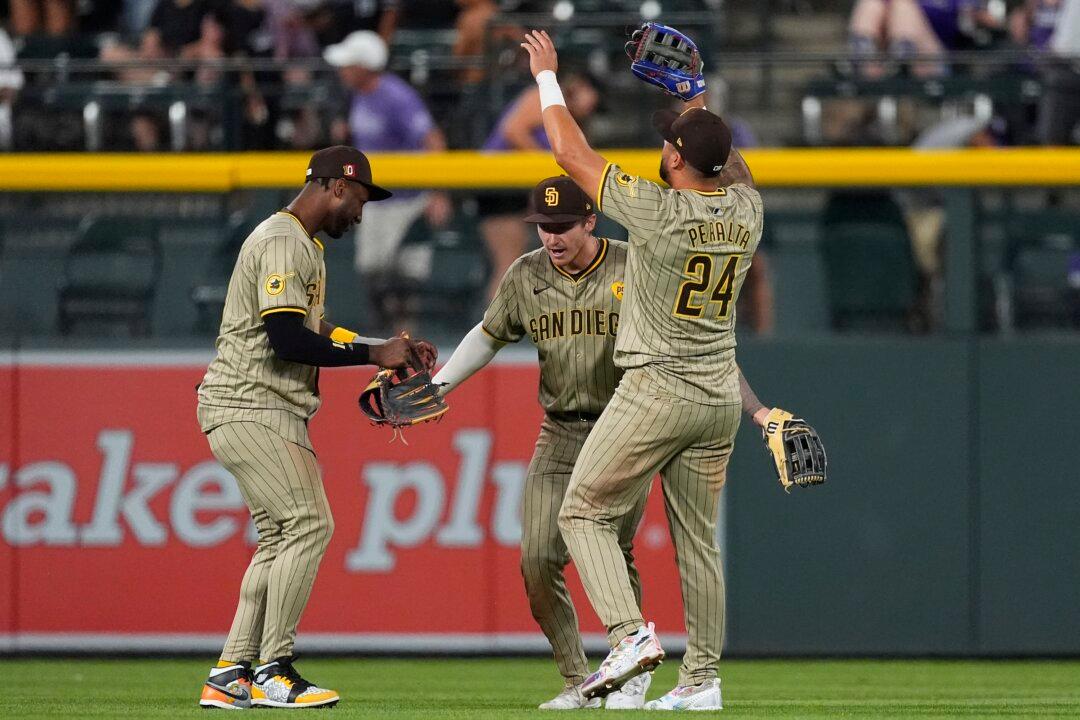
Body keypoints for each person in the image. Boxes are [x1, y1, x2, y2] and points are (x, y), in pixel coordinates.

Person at [520, 29, 774, 710]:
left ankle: (630, 635)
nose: (662, 147)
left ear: (678, 160)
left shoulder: (658, 211)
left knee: (582, 511)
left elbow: (569, 153)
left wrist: (546, 78)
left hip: (660, 385)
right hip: (718, 390)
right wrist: (697, 102)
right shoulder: (747, 209)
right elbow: (732, 166)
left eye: (671, 142)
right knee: (698, 544)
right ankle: (703, 681)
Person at [195, 145, 437, 710]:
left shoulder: (300, 244)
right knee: (309, 523)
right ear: (335, 186)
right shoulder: (283, 241)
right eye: (359, 198)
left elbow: (314, 327)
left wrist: (379, 346)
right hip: (252, 404)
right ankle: (275, 669)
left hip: (253, 407)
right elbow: (287, 341)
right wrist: (375, 355)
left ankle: (232, 671)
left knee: (281, 536)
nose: (360, 212)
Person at [433, 176, 654, 710]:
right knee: (536, 559)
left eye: (561, 227)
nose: (550, 238)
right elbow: (488, 335)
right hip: (559, 429)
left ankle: (630, 672)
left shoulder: (633, 265)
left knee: (613, 552)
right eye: (542, 227)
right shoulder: (525, 274)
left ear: (589, 221)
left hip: (622, 426)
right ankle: (579, 678)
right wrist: (439, 384)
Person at [325, 30, 452, 331]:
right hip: (376, 200)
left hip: (407, 199)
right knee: (372, 271)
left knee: (408, 278)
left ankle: (407, 345)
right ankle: (385, 343)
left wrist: (438, 193)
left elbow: (433, 141)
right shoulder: (356, 96)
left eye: (349, 64)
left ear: (364, 67)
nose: (342, 70)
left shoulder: (396, 96)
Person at [478, 74, 599, 301]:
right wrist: (549, 164)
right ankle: (492, 329)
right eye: (592, 96)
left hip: (518, 187)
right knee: (507, 261)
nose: (592, 105)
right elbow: (513, 130)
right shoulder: (544, 96)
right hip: (497, 182)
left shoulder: (572, 119)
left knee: (518, 259)